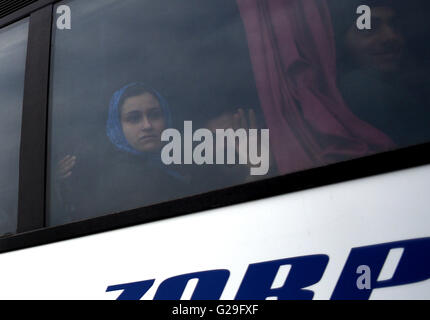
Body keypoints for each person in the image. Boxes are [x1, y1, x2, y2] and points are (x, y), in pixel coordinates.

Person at [55, 83, 191, 219]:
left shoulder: (186, 159)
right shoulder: (117, 180)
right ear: (117, 127)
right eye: (134, 118)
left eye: (155, 115)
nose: (147, 125)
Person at [329, 0, 430, 147]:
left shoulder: (410, 84)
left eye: (396, 27)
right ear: (340, 44)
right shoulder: (360, 88)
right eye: (368, 29)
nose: (391, 37)